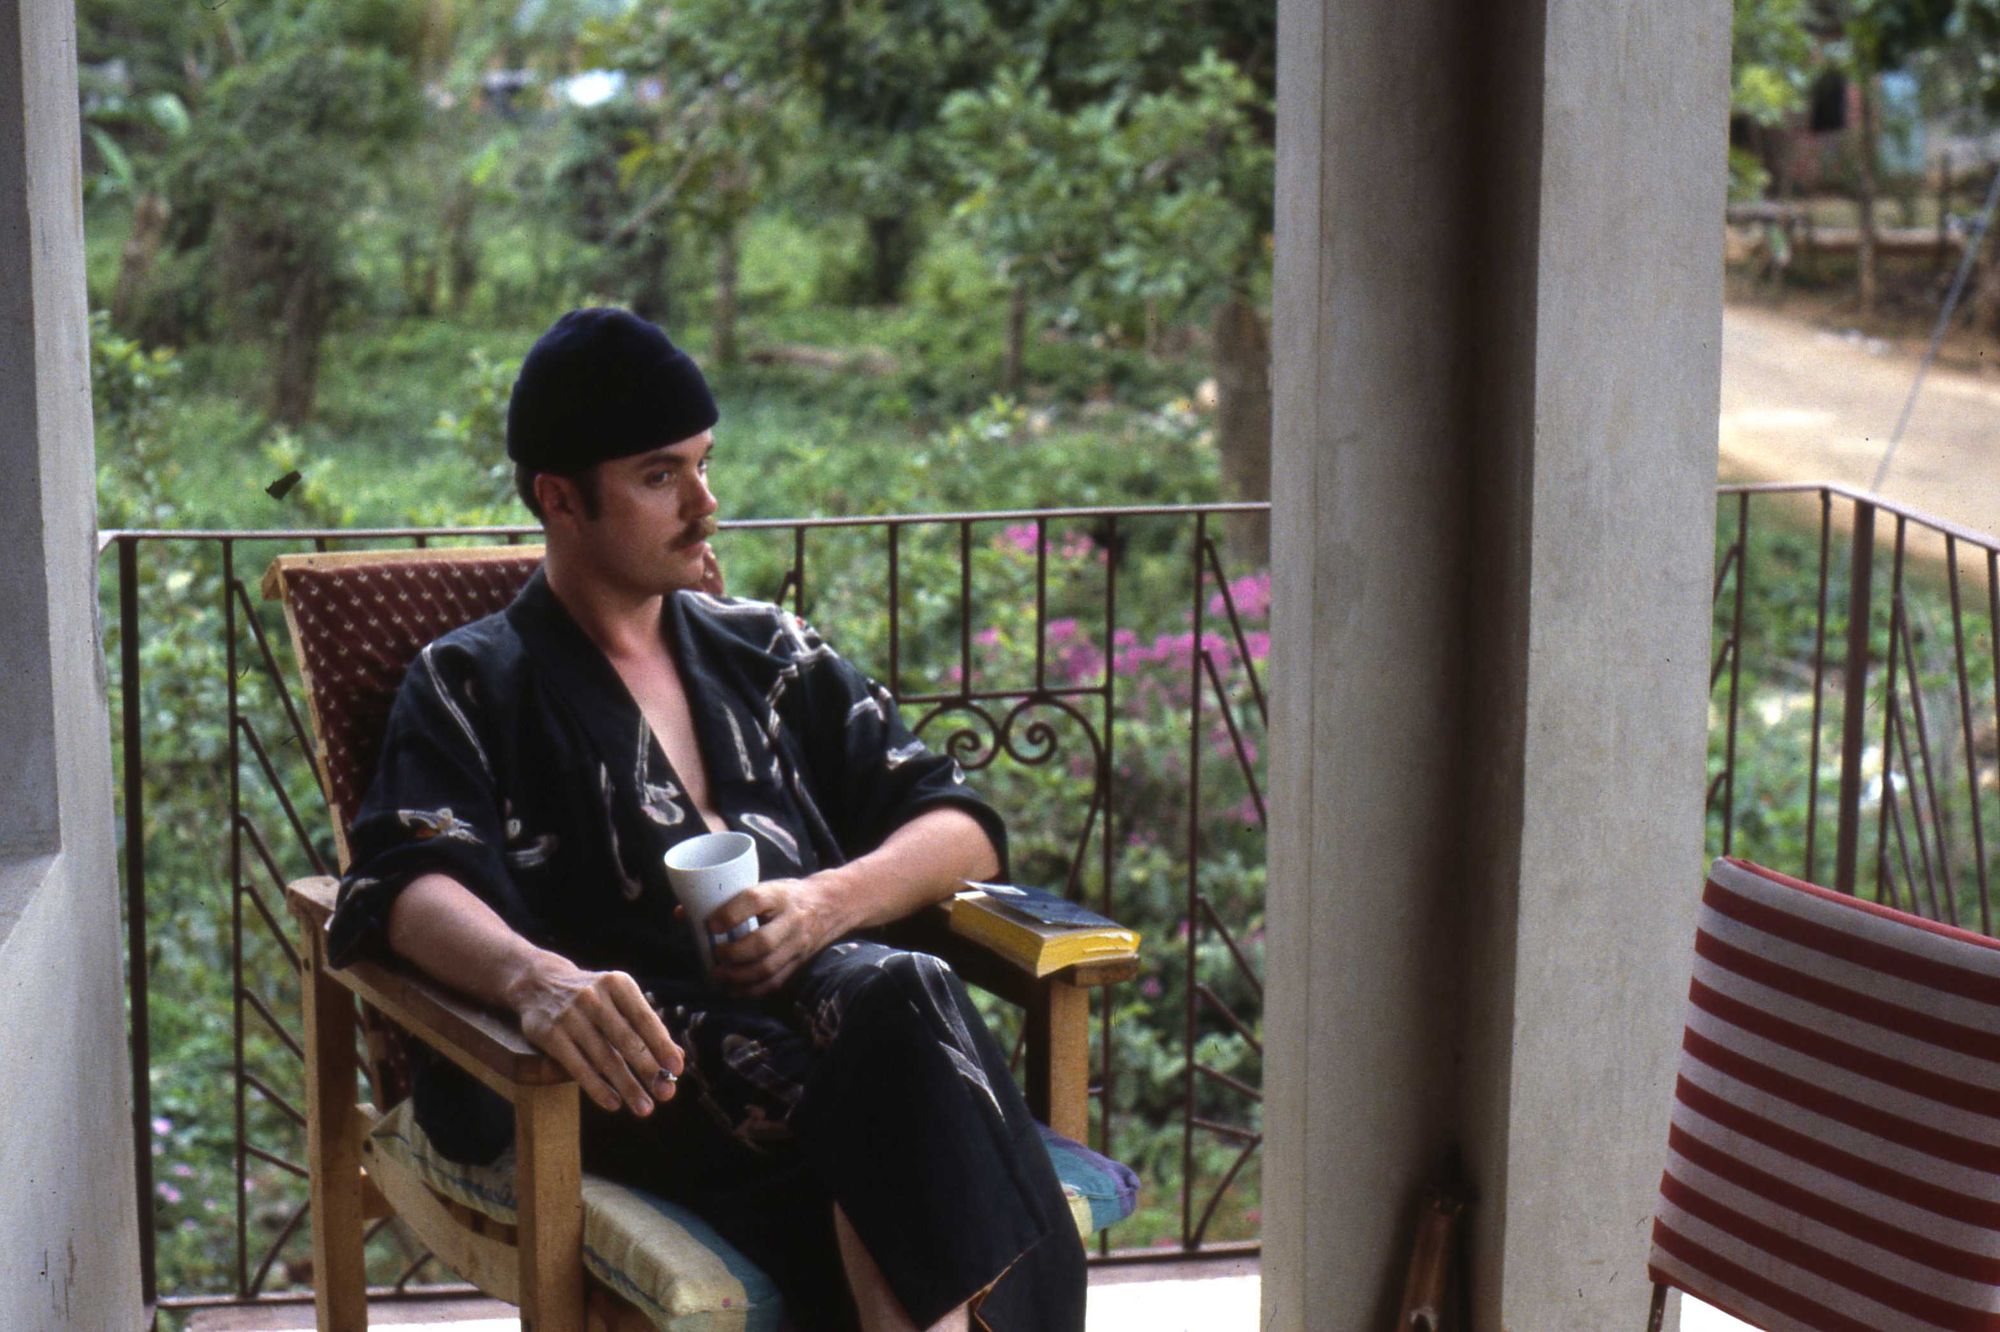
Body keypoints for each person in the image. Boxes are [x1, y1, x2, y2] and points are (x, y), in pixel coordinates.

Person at [327, 308, 1087, 1332]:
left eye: (703, 464)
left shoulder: (767, 652)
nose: (704, 504)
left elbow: (957, 823)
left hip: (848, 1033)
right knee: (912, 1087)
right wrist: (536, 980)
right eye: (659, 476)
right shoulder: (473, 682)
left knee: (901, 994)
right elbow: (403, 879)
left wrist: (824, 904)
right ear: (559, 497)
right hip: (645, 1069)